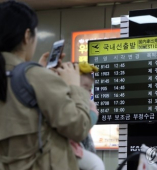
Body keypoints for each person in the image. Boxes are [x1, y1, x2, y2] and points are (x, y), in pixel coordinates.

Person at [0, 1, 92, 170]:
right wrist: (75, 86)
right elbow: (79, 127)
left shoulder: (23, 75)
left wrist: (40, 72)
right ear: (27, 36)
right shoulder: (35, 77)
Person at [70, 62, 105, 170]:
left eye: (90, 89)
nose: (88, 93)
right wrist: (93, 112)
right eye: (84, 88)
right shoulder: (67, 103)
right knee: (96, 164)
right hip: (67, 150)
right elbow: (81, 127)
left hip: (77, 148)